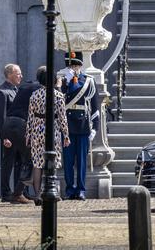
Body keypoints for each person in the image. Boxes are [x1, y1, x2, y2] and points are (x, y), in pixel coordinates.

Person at [59, 52, 100, 200]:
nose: (74, 68)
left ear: (81, 66)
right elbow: (58, 101)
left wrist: (95, 128)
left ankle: (81, 189)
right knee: (68, 161)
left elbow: (95, 106)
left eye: (76, 65)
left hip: (83, 125)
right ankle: (70, 189)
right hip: (67, 126)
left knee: (82, 161)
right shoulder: (63, 82)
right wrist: (66, 83)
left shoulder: (88, 81)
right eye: (71, 65)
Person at [27, 66, 70, 205]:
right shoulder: (58, 95)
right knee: (53, 161)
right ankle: (54, 192)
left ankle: (38, 194)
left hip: (37, 130)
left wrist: (28, 134)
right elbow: (63, 117)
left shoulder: (34, 95)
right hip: (53, 129)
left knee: (37, 163)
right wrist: (66, 135)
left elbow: (30, 117)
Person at [6, 70, 43, 204]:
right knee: (32, 158)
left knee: (23, 159)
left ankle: (21, 192)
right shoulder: (41, 90)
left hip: (9, 123)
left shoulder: (26, 86)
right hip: (21, 123)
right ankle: (19, 193)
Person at [0, 63, 24, 203]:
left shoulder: (16, 90)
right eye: (18, 73)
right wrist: (5, 136)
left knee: (20, 162)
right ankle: (6, 193)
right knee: (8, 164)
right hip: (9, 135)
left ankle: (19, 193)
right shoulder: (2, 92)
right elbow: (1, 117)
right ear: (10, 74)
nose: (21, 76)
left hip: (19, 134)